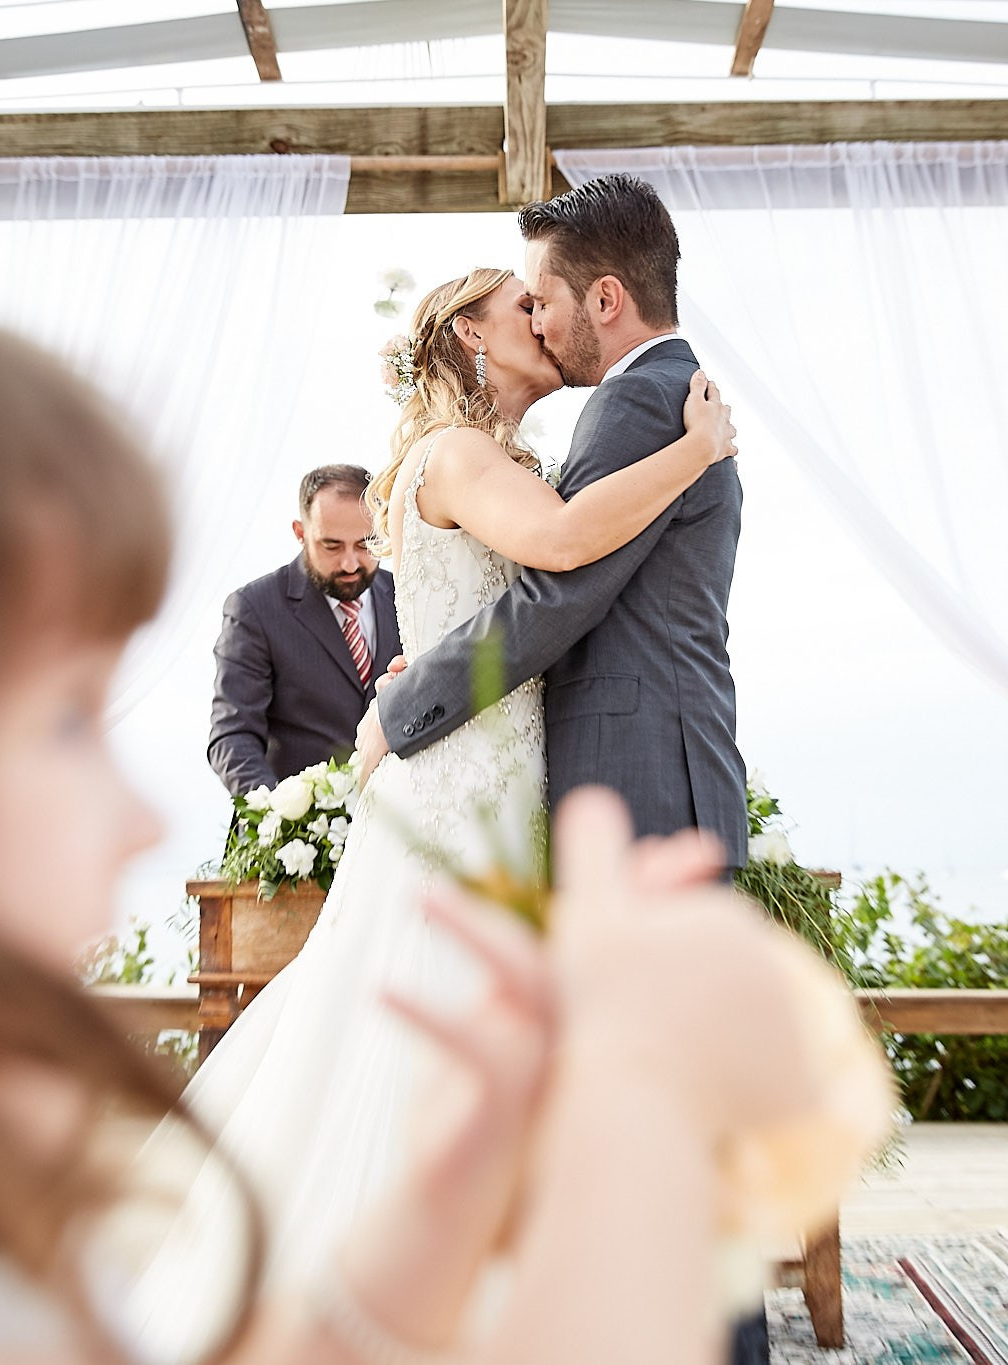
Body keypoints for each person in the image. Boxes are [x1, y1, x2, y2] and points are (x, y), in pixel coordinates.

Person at [0, 109, 893, 1365]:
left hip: (529, 783)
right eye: (62, 719)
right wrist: (411, 704)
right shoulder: (522, 451)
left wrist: (454, 1192)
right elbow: (562, 580)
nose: (144, 821)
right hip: (488, 778)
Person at [144, 257, 740, 1325]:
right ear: (470, 334)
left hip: (497, 783)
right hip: (459, 798)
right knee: (438, 1048)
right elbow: (562, 551)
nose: (543, 320)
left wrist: (409, 683)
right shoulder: (458, 455)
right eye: (523, 308)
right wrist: (695, 453)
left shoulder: (494, 456)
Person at [356, 174, 764, 1362]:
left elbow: (548, 600)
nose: (537, 319)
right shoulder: (631, 413)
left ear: (600, 296)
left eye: (543, 297)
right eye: (514, 307)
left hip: (638, 784)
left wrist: (404, 707)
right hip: (621, 780)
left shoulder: (639, 410)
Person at [207, 467, 400, 797]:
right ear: (300, 532)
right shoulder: (253, 609)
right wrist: (278, 816)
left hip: (393, 829)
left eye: (366, 543)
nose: (351, 563)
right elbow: (233, 735)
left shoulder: (407, 596)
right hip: (296, 836)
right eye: (331, 546)